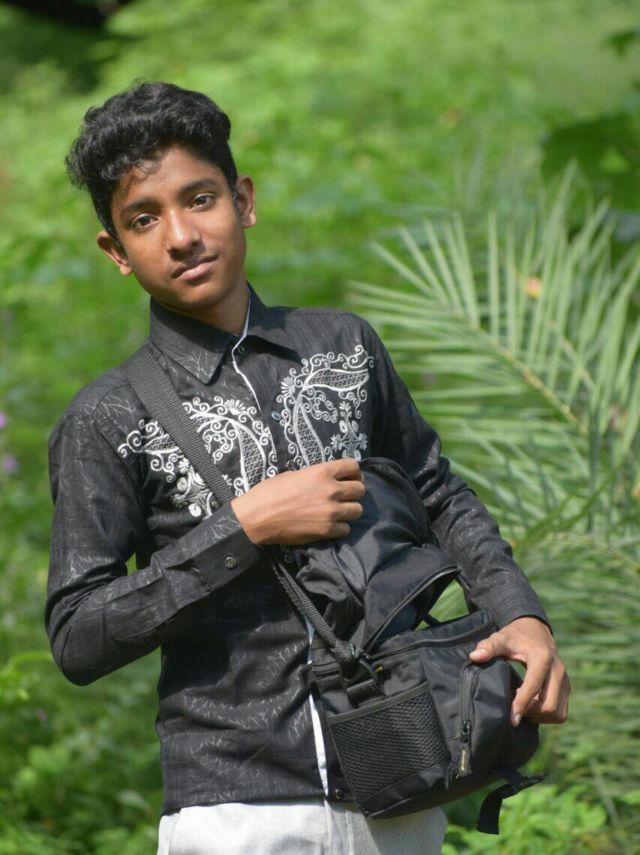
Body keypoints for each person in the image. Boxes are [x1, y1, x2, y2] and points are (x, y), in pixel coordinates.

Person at [46, 82, 570, 855]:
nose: (182, 235)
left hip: (405, 778)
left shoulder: (344, 346)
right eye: (144, 218)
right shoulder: (108, 415)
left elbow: (437, 493)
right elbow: (78, 633)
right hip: (235, 809)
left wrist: (521, 613)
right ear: (116, 251)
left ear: (243, 200)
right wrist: (244, 529)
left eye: (200, 199)